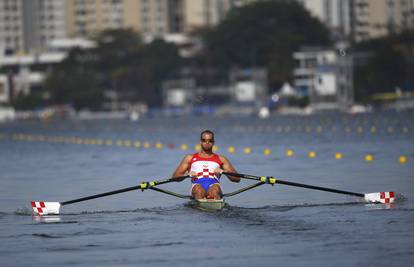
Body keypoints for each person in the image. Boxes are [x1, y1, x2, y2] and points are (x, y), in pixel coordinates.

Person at [172, 130, 240, 200]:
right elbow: (174, 177)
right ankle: (203, 205)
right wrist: (187, 175)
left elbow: (237, 179)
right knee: (199, 190)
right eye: (204, 140)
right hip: (197, 186)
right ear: (200, 142)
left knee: (214, 190)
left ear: (213, 142)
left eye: (210, 141)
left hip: (214, 186)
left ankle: (211, 204)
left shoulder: (221, 159)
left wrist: (223, 171)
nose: (207, 143)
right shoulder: (189, 158)